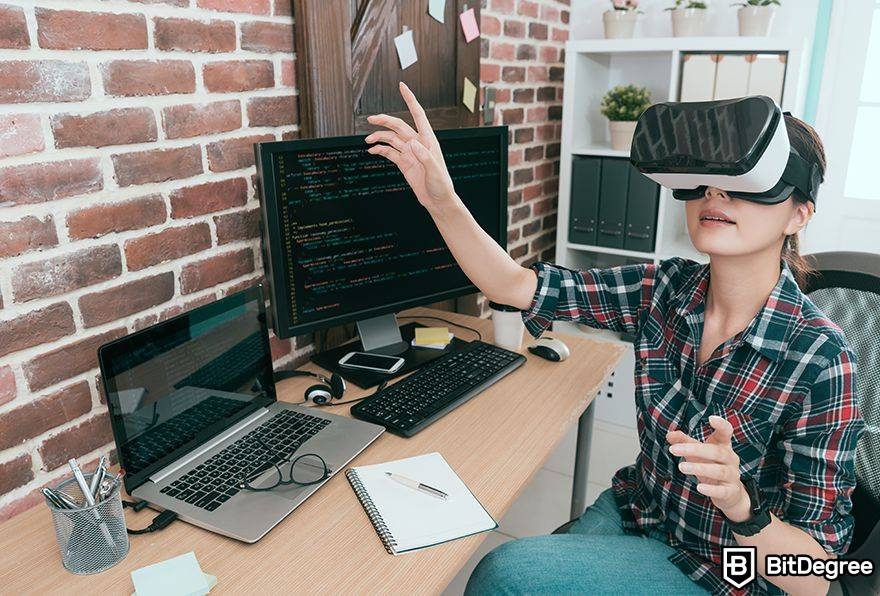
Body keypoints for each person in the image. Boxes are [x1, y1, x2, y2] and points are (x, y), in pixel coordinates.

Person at [365, 82, 864, 595]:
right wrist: (442, 201)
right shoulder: (665, 289)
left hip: (727, 573)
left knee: (505, 576)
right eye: (705, 180)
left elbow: (818, 579)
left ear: (800, 212)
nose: (715, 194)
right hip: (640, 513)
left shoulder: (823, 361)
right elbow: (515, 286)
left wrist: (741, 504)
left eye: (747, 181)